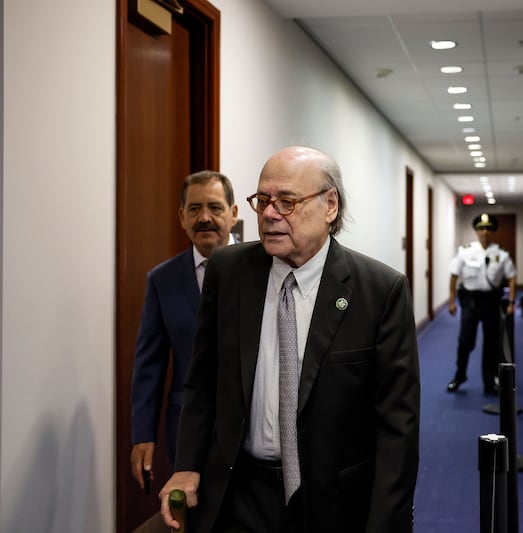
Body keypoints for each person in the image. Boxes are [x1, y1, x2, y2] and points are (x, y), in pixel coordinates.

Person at [158, 146, 420, 533]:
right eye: (263, 200)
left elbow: (398, 428)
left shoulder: (380, 291)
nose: (267, 214)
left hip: (332, 501)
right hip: (239, 493)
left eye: (286, 201)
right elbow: (202, 382)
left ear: (330, 205)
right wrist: (186, 465)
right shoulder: (228, 272)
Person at [130, 170, 239, 492]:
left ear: (233, 214)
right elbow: (149, 364)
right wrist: (143, 434)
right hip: (187, 428)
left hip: (251, 425)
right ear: (181, 217)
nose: (204, 218)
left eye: (215, 207)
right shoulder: (162, 280)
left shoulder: (264, 269)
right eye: (194, 209)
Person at [446, 213, 516, 395]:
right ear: (476, 231)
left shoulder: (501, 254)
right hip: (470, 301)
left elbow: (511, 277)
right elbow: (454, 275)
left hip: (491, 302)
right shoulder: (466, 251)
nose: (485, 232)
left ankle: (489, 380)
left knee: (491, 343)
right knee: (465, 341)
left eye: (488, 229)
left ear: (493, 232)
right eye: (481, 229)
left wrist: (511, 302)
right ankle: (459, 375)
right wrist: (452, 301)